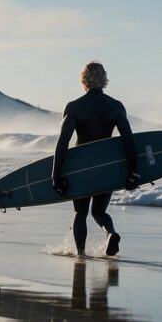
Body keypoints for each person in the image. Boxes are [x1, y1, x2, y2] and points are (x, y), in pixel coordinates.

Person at [52, 61, 141, 257]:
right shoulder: (116, 107)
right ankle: (111, 234)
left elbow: (63, 143)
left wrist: (55, 174)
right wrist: (133, 170)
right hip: (106, 167)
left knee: (80, 213)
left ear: (83, 80)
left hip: (81, 168)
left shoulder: (74, 107)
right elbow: (129, 140)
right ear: (104, 80)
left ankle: (81, 255)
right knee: (99, 212)